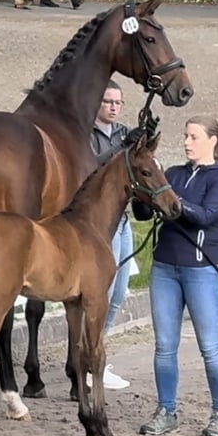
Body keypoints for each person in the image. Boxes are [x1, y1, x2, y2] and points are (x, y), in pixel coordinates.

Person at [132, 115, 218, 436]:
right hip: (165, 267)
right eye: (186, 136)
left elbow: (205, 216)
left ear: (212, 141)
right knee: (164, 346)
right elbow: (145, 213)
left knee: (209, 346)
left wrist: (171, 200)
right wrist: (143, 194)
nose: (187, 142)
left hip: (201, 271)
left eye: (193, 137)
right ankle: (166, 410)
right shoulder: (173, 174)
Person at [86, 79, 142, 391]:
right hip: (98, 223)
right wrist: (123, 147)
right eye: (108, 101)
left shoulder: (123, 133)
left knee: (119, 292)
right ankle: (93, 358)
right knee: (102, 293)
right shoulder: (86, 136)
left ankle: (98, 350)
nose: (113, 107)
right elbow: (94, 168)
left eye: (117, 103)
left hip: (123, 219)